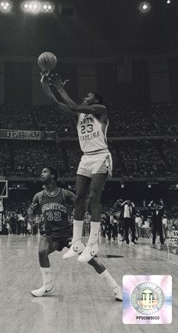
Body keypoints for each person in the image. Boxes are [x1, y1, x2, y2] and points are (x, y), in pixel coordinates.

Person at [40, 71, 112, 263]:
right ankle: (77, 242)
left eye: (88, 95)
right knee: (79, 198)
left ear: (95, 99)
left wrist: (61, 88)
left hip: (100, 156)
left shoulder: (100, 109)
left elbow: (74, 105)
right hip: (86, 157)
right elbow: (57, 104)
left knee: (93, 198)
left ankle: (93, 243)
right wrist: (46, 86)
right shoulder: (78, 116)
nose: (85, 97)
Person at [28, 167, 122, 301]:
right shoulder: (38, 196)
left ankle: (116, 288)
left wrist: (89, 197)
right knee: (42, 251)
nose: (41, 174)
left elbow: (82, 207)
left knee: (91, 260)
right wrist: (31, 215)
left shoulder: (65, 194)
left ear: (53, 175)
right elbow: (31, 216)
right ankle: (47, 285)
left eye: (44, 171)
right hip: (51, 235)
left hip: (68, 235)